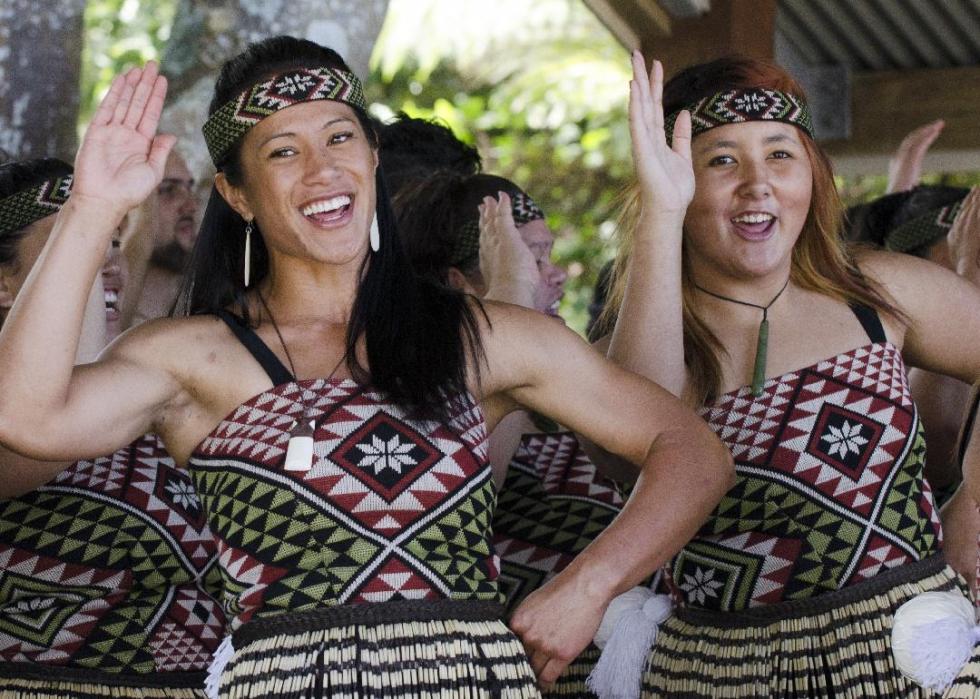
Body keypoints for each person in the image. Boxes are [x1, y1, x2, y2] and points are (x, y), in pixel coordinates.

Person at [0, 37, 732, 697]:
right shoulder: (194, 357)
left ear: (373, 158)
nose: (322, 168)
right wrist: (92, 210)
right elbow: (28, 414)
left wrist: (590, 585)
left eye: (340, 137)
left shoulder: (478, 337)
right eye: (283, 151)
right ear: (236, 193)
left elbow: (691, 451)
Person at [596, 53, 980, 696]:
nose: (757, 184)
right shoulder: (632, 343)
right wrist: (661, 215)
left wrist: (973, 501)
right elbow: (636, 458)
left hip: (907, 662)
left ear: (814, 175)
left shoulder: (877, 291)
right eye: (721, 159)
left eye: (780, 154)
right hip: (715, 676)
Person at [0, 158, 224, 698]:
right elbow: (44, 420)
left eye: (115, 241)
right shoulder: (16, 413)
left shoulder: (163, 381)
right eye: (74, 242)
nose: (107, 258)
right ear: (3, 282)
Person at [396, 171, 624, 696]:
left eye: (547, 255)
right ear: (460, 283)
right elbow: (463, 501)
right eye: (533, 259)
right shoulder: (414, 384)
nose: (558, 275)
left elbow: (637, 467)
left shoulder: (567, 363)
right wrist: (510, 310)